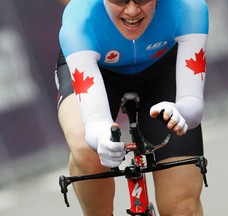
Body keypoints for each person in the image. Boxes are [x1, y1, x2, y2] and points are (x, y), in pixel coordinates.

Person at [55, 0, 209, 215]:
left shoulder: (188, 6)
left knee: (182, 210)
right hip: (99, 71)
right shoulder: (80, 18)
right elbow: (95, 120)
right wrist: (101, 137)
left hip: (162, 72)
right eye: (119, 0)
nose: (132, 10)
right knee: (84, 147)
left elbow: (192, 103)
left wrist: (179, 112)